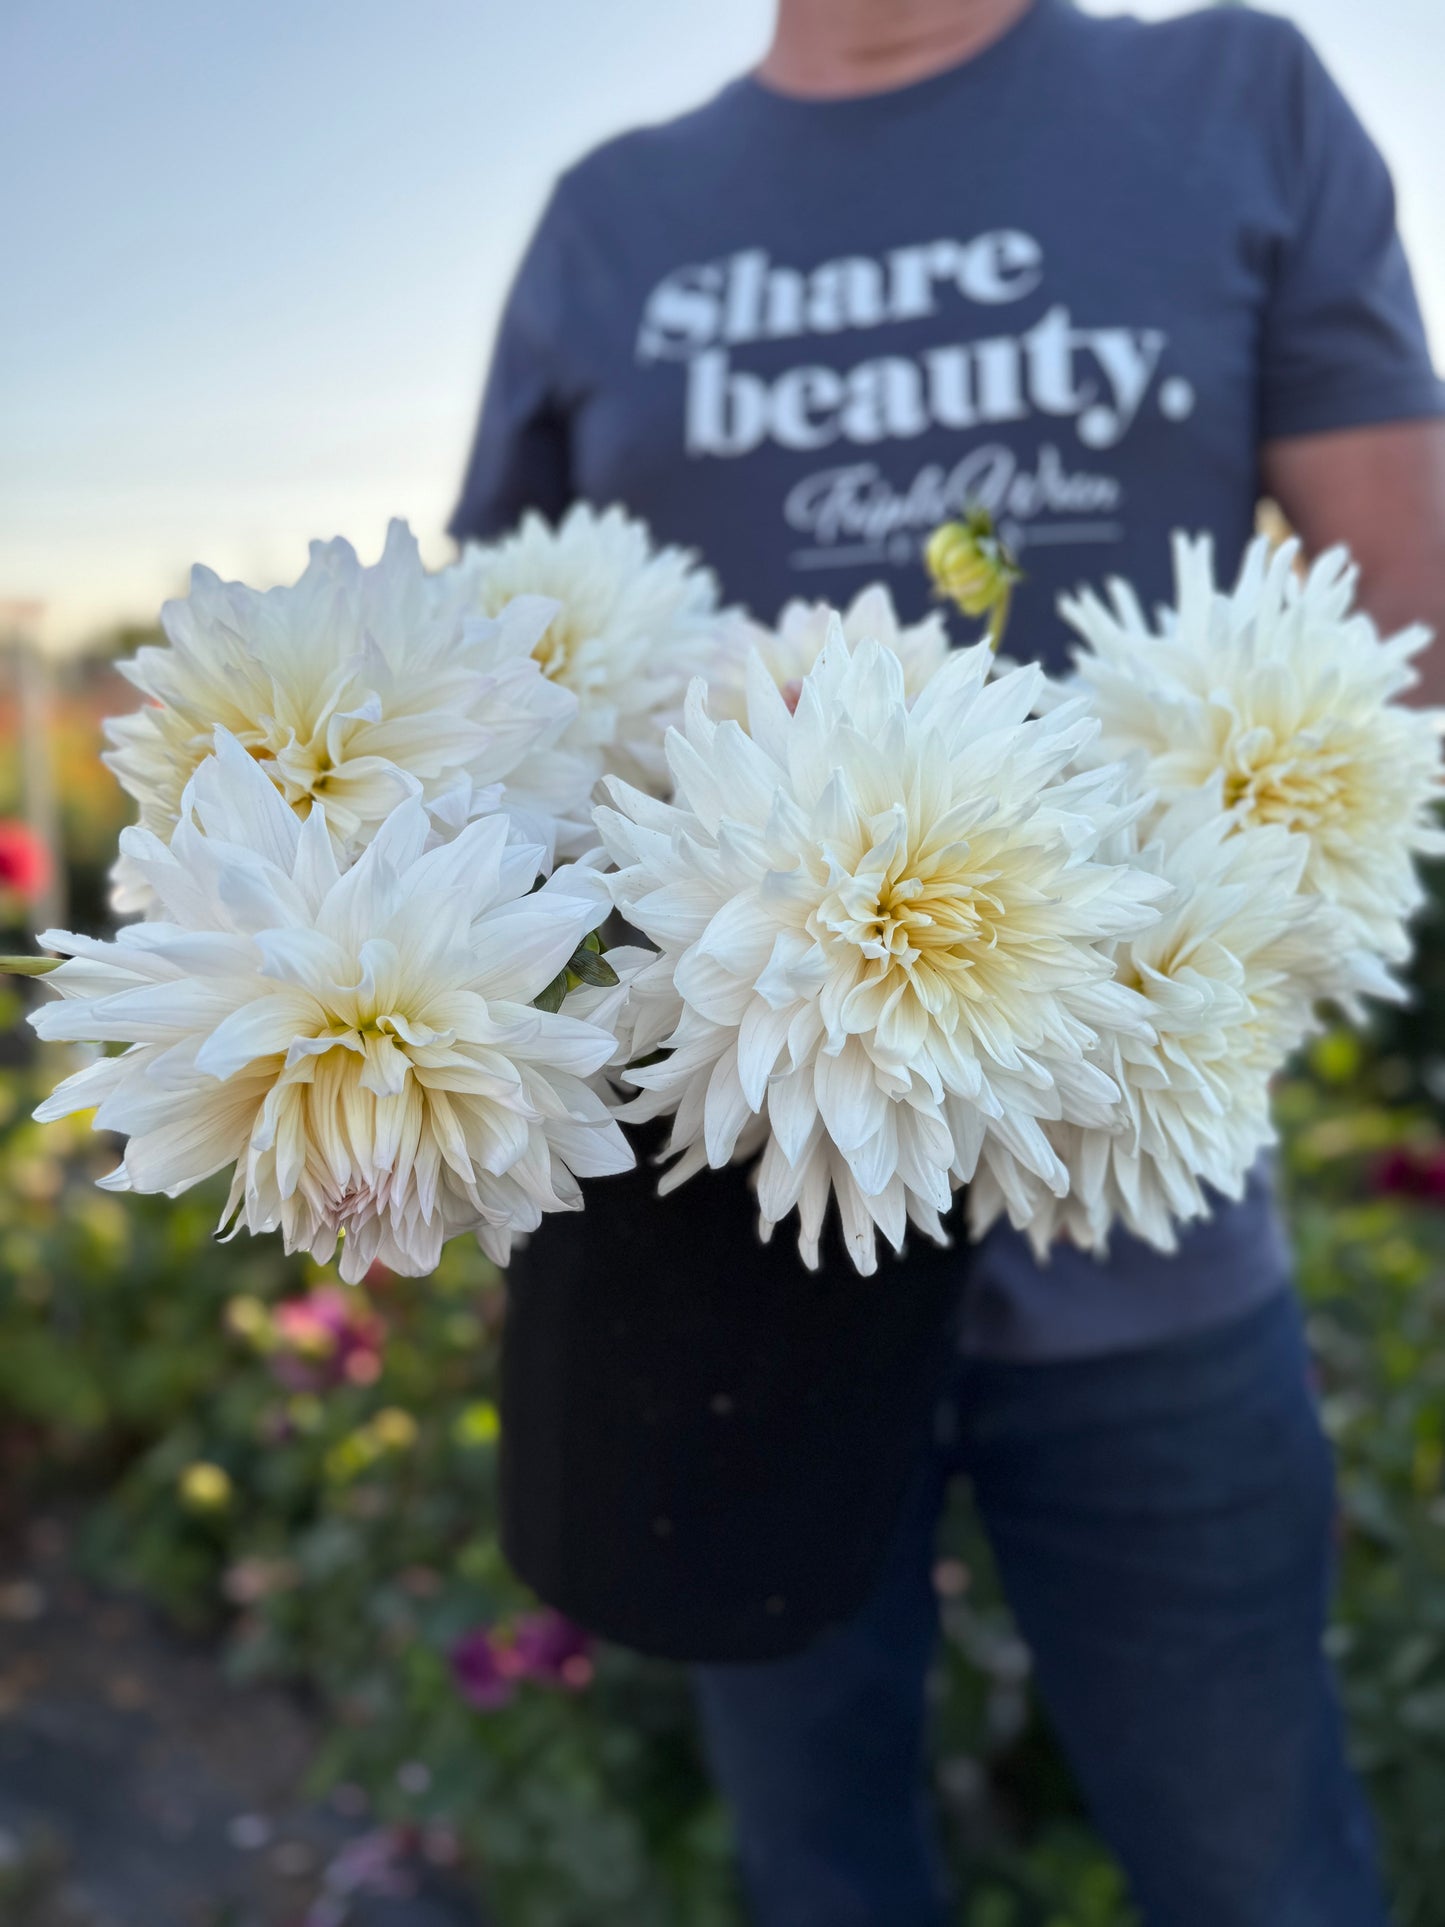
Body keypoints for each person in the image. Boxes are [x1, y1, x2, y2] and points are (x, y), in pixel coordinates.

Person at [451, 1, 1445, 1920]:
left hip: (1143, 1214)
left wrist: (1182, 904)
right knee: (816, 1869)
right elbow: (491, 676)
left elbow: (1396, 631)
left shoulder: (1231, 97)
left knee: (1257, 1869)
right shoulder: (609, 216)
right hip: (721, 1236)